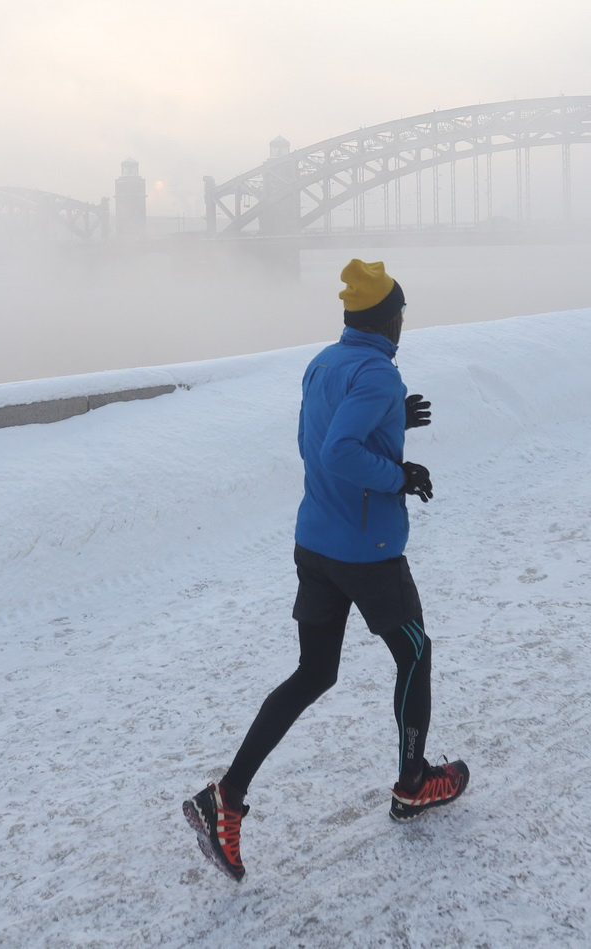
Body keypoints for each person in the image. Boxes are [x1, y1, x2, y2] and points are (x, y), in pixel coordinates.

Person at [183, 259, 469, 883]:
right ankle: (415, 782)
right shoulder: (375, 373)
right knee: (415, 653)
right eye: (401, 313)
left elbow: (320, 436)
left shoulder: (325, 364)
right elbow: (341, 449)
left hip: (315, 543)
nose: (402, 324)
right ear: (388, 318)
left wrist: (395, 421)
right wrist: (400, 473)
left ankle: (225, 798)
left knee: (314, 671)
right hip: (366, 552)